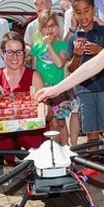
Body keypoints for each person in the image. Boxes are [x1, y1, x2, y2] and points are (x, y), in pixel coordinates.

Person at [66, 0, 104, 189]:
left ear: (94, 9)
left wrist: (101, 51)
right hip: (84, 90)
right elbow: (71, 69)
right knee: (91, 131)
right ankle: (94, 166)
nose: (83, 16)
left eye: (86, 11)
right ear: (74, 14)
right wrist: (76, 56)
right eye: (78, 12)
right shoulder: (73, 38)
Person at [0, 32, 46, 166]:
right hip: (4, 130)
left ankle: (36, 162)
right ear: (2, 53)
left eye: (19, 52)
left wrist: (45, 111)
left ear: (24, 53)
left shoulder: (35, 76)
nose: (15, 57)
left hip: (28, 130)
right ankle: (9, 162)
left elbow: (47, 115)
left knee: (29, 137)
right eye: (10, 52)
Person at [30, 9, 71, 145]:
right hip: (43, 90)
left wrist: (48, 46)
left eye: (52, 26)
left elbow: (59, 63)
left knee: (61, 123)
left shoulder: (62, 45)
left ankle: (65, 149)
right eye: (45, 27)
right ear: (41, 29)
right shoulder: (37, 47)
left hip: (58, 89)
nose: (49, 30)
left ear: (57, 27)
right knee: (50, 124)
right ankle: (54, 152)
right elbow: (34, 70)